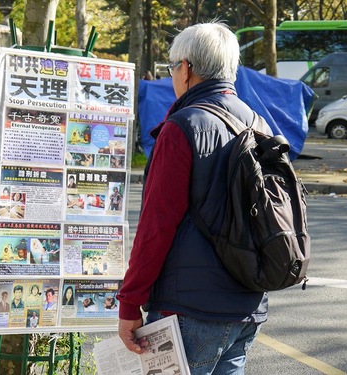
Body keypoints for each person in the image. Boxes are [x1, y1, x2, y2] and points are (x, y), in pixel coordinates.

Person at [117, 21, 270, 374]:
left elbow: (156, 227)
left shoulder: (182, 128)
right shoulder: (258, 124)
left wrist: (129, 305)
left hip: (188, 310)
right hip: (247, 305)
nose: (172, 76)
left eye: (172, 67)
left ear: (186, 69)